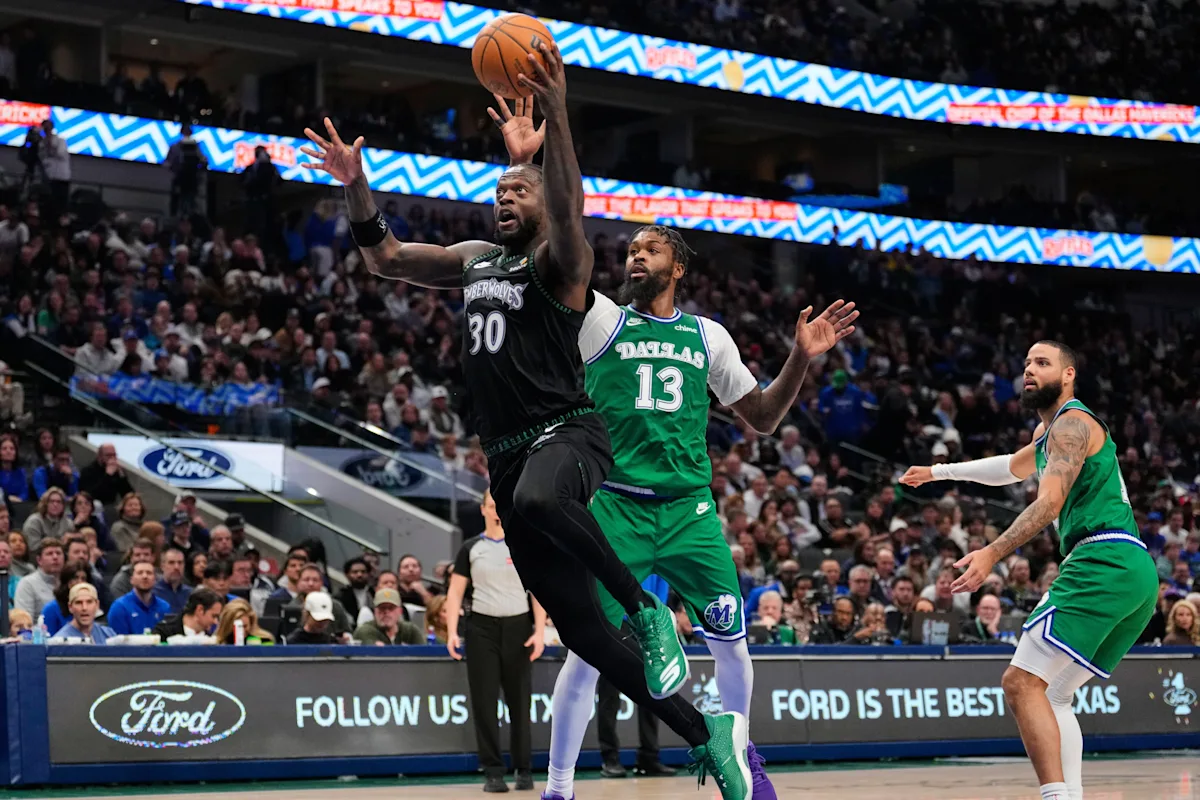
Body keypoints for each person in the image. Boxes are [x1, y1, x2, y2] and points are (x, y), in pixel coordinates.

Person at [305, 49, 750, 794]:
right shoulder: (478, 258)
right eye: (499, 191)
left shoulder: (560, 265)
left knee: (545, 500)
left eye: (519, 190)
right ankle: (706, 738)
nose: (505, 197)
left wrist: (558, 122)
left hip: (570, 434)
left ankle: (646, 610)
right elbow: (386, 257)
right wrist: (356, 186)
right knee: (583, 633)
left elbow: (569, 208)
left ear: (545, 207)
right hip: (509, 456)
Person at [553, 224, 856, 799]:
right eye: (632, 250)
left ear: (678, 268)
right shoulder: (600, 319)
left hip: (689, 515)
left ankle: (742, 758)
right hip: (617, 508)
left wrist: (799, 356)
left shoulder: (707, 336)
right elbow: (561, 268)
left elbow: (763, 417)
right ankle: (558, 788)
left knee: (732, 646)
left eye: (651, 250)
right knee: (586, 653)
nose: (637, 257)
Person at [902, 340, 1159, 800]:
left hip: (1102, 558)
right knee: (1055, 693)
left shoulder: (1071, 425)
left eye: (1042, 363)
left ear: (1068, 375)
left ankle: (1055, 796)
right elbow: (1009, 468)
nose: (1029, 370)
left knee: (1020, 682)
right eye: (1026, 363)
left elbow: (1050, 502)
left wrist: (991, 552)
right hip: (1133, 570)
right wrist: (939, 472)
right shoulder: (1048, 433)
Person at [445, 491, 546, 792]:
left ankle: (524, 769)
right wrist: (452, 631)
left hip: (518, 627)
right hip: (482, 629)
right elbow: (455, 593)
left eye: (500, 506)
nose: (496, 511)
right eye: (491, 506)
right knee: (485, 703)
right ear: (483, 510)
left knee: (520, 703)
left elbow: (537, 590)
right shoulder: (470, 548)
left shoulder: (523, 544)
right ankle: (493, 771)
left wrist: (539, 631)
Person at [108, 561, 172, 635]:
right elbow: (118, 640)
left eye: (149, 573)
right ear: (131, 580)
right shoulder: (120, 607)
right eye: (140, 573)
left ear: (155, 580)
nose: (145, 576)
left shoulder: (164, 607)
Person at [352, 587, 423, 645]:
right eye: (382, 608)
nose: (386, 612)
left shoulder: (410, 631)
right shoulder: (365, 630)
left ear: (400, 611)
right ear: (375, 611)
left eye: (391, 608)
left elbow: (424, 653)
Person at [14, 537, 63, 619]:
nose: (55, 557)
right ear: (39, 560)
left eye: (58, 553)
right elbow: (24, 621)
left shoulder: (69, 581)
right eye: (49, 553)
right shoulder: (27, 584)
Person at [153, 588, 223, 641]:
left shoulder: (214, 638)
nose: (215, 622)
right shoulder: (163, 634)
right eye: (214, 616)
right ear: (200, 610)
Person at [153, 547, 192, 614]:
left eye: (180, 563)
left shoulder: (191, 594)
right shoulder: (152, 594)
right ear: (162, 566)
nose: (176, 567)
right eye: (171, 563)